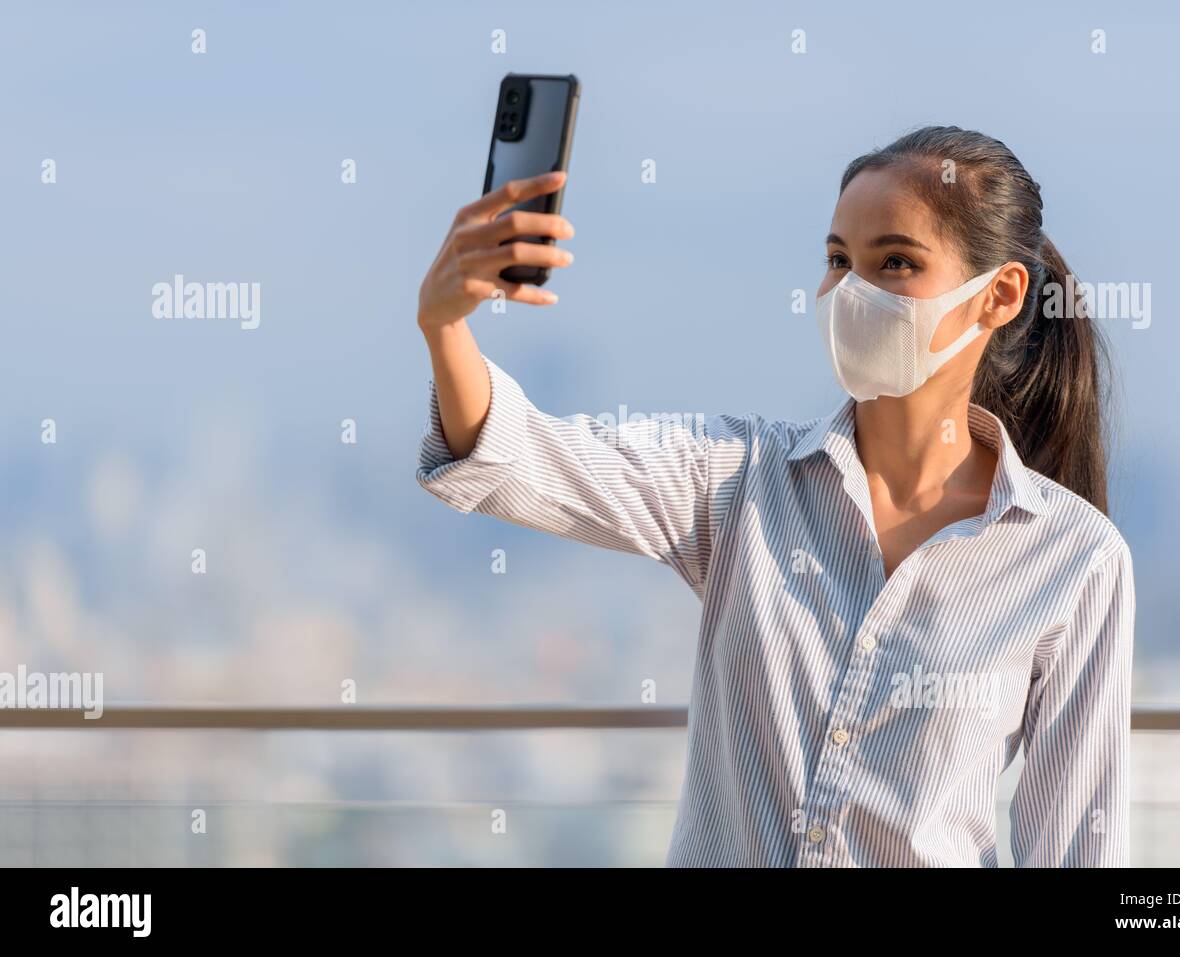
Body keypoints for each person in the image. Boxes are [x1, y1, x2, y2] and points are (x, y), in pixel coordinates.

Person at [415, 126, 1135, 867]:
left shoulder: (1075, 558)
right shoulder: (740, 480)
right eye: (837, 261)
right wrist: (445, 326)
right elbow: (522, 454)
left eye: (895, 262)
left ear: (1000, 295)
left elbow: (1082, 842)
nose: (852, 291)